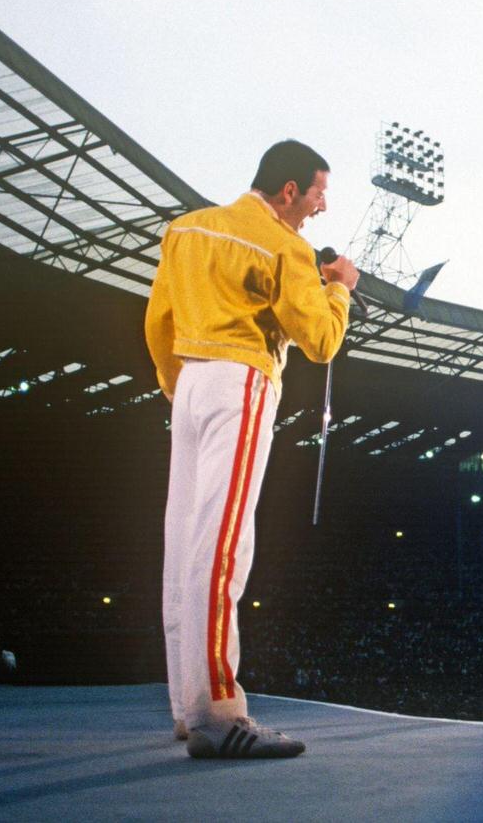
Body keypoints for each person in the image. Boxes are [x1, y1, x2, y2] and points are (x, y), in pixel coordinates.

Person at [145, 139, 358, 759]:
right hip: (241, 382)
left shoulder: (186, 229)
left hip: (188, 381)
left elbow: (158, 323)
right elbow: (319, 341)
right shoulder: (287, 245)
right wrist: (338, 288)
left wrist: (182, 387)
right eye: (319, 192)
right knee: (223, 545)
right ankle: (218, 712)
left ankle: (190, 710)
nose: (322, 206)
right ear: (289, 191)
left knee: (184, 543)